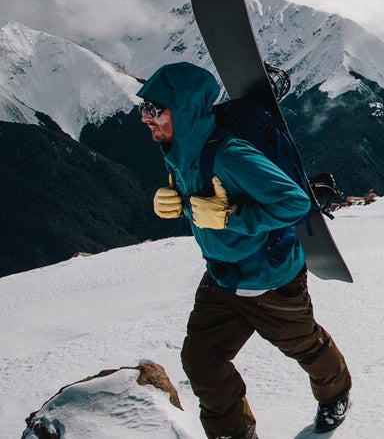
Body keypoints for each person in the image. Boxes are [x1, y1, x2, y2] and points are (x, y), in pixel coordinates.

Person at [139, 62, 351, 438]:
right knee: (201, 360)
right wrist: (176, 202)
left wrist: (231, 217)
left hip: (270, 278)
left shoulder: (230, 154)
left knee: (304, 346)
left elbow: (294, 202)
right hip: (222, 275)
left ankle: (337, 394)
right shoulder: (180, 152)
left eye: (155, 110)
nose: (146, 118)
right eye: (144, 108)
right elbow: (210, 202)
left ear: (184, 110)